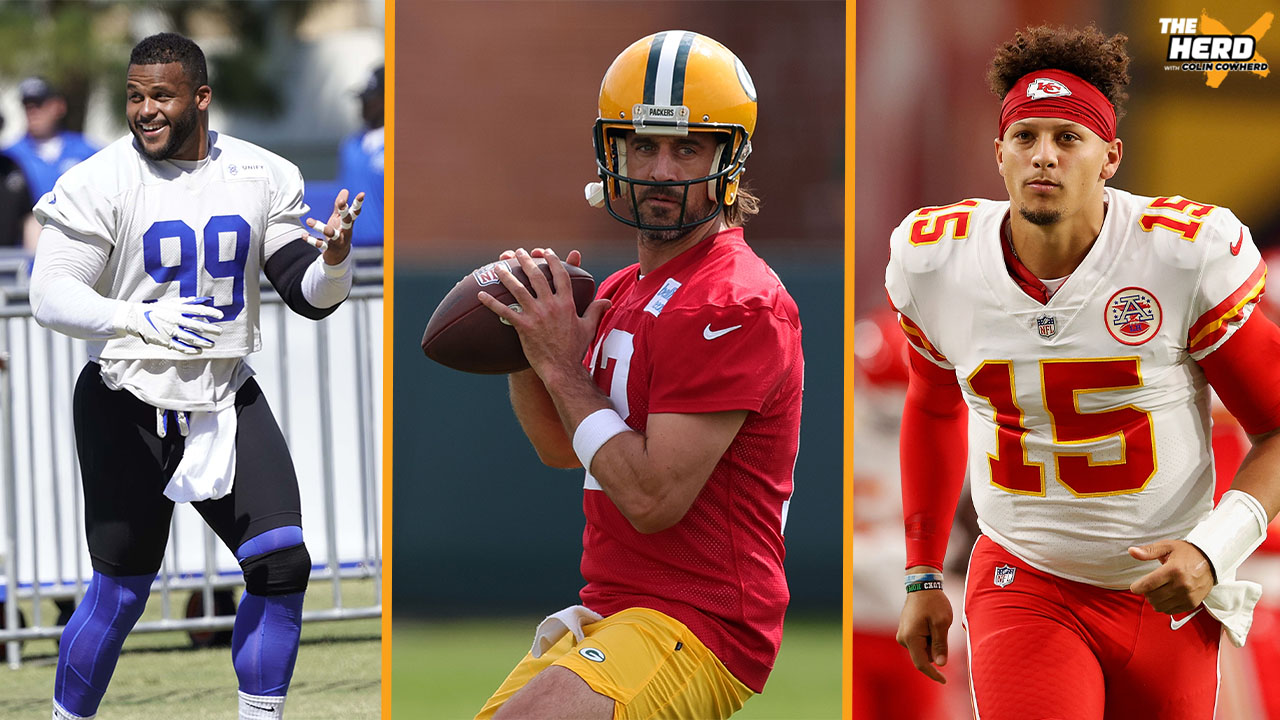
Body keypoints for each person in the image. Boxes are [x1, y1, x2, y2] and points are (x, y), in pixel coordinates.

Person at [886, 24, 1280, 718]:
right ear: (998, 153)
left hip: (1165, 592)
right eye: (1026, 136)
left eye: (1068, 138)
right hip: (1026, 580)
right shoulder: (936, 260)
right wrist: (921, 575)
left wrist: (1214, 551)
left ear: (1109, 158)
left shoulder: (1179, 255)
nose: (1044, 156)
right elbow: (934, 404)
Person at [27, 33, 363, 720]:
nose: (145, 110)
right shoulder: (100, 180)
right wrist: (139, 319)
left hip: (222, 394)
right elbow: (49, 294)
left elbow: (305, 292)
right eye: (134, 96)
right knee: (121, 593)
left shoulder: (260, 173)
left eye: (161, 96)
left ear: (201, 98)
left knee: (282, 565)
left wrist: (334, 260)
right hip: (127, 398)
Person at [473, 31, 803, 720]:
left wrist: (564, 368)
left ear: (729, 159)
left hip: (701, 620)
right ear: (611, 154)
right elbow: (563, 449)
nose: (660, 168)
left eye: (687, 147)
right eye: (642, 146)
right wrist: (527, 350)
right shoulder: (624, 289)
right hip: (616, 610)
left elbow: (654, 500)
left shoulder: (735, 300)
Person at [5, 76, 98, 205]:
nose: (32, 111)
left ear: (59, 106)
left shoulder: (87, 151)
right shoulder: (9, 156)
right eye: (27, 106)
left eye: (39, 104)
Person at [336, 65, 383, 246]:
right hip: (352, 247)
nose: (364, 105)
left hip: (384, 250)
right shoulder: (350, 145)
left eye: (371, 99)